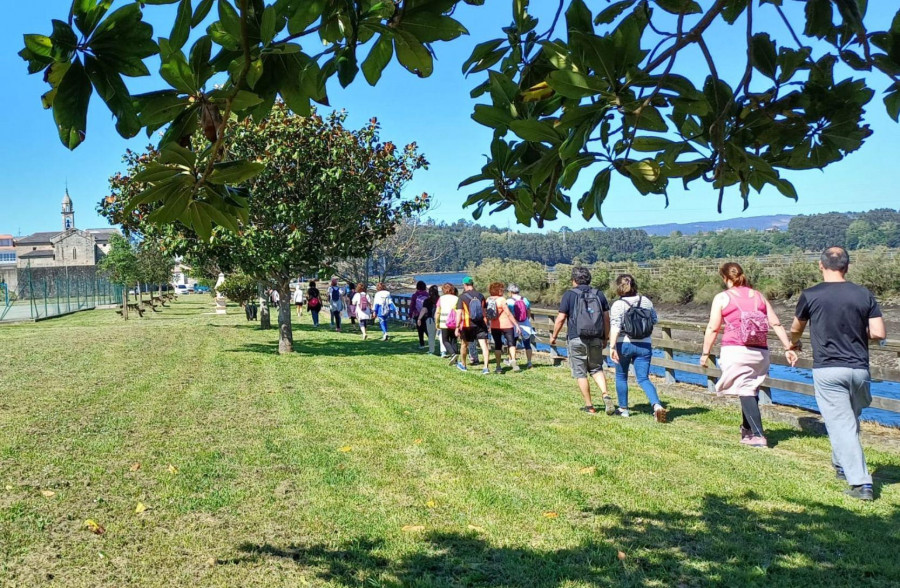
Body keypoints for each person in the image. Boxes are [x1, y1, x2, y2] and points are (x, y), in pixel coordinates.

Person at [790, 247, 886, 501]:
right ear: (847, 266)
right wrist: (854, 333)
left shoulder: (811, 295)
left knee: (841, 423)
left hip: (829, 368)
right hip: (859, 370)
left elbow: (796, 327)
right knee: (847, 419)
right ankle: (841, 464)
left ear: (820, 265)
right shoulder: (863, 294)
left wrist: (794, 342)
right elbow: (878, 334)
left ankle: (862, 483)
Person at [700, 262, 798, 448]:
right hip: (760, 352)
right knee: (749, 388)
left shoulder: (722, 298)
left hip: (736, 350)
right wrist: (788, 348)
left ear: (724, 278)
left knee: (744, 388)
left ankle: (758, 435)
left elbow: (713, 328)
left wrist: (706, 352)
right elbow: (776, 323)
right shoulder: (758, 296)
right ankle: (747, 430)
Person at [549, 267, 612, 415]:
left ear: (574, 280)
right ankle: (605, 394)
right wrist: (605, 337)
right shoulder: (599, 294)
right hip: (596, 336)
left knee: (580, 372)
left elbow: (561, 318)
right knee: (596, 368)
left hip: (576, 338)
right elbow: (606, 318)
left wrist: (554, 336)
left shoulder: (569, 295)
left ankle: (590, 406)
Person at [608, 274, 666, 421]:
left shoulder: (618, 305)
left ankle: (623, 409)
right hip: (644, 344)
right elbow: (654, 319)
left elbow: (615, 327)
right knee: (643, 378)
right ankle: (657, 406)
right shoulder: (645, 301)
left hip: (624, 343)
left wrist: (612, 346)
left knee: (621, 376)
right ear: (634, 285)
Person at [456, 277, 491, 374]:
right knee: (484, 345)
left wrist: (457, 326)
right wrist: (487, 324)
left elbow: (459, 313)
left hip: (468, 325)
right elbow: (484, 312)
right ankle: (485, 368)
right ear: (472, 284)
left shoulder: (462, 297)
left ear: (464, 285)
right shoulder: (480, 296)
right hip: (480, 324)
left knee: (464, 345)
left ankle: (463, 365)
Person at [487, 282, 521, 373]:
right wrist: (516, 325)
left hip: (494, 326)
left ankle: (498, 366)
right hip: (506, 325)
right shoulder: (502, 300)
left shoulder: (488, 300)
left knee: (498, 345)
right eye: (502, 289)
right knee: (511, 343)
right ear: (499, 290)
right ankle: (513, 360)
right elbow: (508, 313)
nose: (503, 291)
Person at [506, 284, 534, 369]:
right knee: (527, 344)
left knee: (512, 343)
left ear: (510, 292)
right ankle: (529, 362)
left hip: (514, 325)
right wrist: (526, 320)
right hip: (525, 324)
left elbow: (508, 314)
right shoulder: (525, 300)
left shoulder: (509, 301)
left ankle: (512, 360)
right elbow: (528, 313)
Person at [436, 283, 460, 363]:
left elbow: (437, 312)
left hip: (444, 322)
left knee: (445, 340)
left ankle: (453, 354)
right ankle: (456, 358)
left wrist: (437, 323)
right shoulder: (456, 298)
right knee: (453, 340)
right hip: (454, 322)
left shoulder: (441, 299)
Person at [417, 285, 440, 355]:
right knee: (441, 336)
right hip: (440, 319)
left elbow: (424, 310)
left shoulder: (427, 301)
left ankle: (431, 350)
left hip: (430, 319)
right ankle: (443, 351)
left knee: (431, 336)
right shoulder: (440, 299)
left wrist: (419, 318)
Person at [410, 281, 430, 348]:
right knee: (426, 328)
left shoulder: (415, 295)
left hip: (417, 314)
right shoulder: (427, 295)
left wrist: (410, 314)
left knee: (420, 329)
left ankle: (422, 344)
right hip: (426, 314)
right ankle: (431, 341)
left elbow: (412, 306)